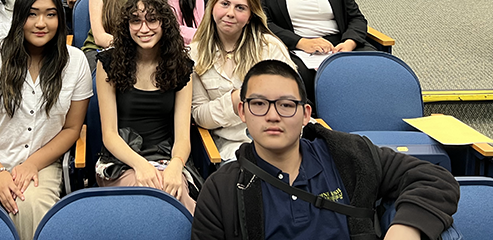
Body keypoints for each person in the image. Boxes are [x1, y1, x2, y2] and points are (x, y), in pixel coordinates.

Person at [191, 59, 459, 240]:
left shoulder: (348, 156)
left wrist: (406, 228)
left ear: (306, 114)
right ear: (242, 111)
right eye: (259, 104)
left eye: (286, 105)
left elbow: (435, 179)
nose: (272, 116)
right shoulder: (221, 190)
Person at [0, 0, 92, 240]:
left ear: (60, 20)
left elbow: (72, 128)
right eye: (32, 14)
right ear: (19, 18)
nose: (41, 23)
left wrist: (32, 164)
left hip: (41, 161)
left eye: (50, 14)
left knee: (31, 210)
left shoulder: (75, 63)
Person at [95, 0, 197, 213]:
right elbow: (109, 135)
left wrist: (175, 166)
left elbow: (182, 138)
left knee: (178, 198)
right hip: (122, 160)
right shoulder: (109, 62)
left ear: (164, 24)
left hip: (166, 158)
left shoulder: (181, 66)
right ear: (127, 25)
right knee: (147, 198)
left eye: (152, 20)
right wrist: (140, 165)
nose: (144, 28)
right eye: (136, 21)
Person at [190, 0, 294, 161]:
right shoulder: (195, 54)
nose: (230, 13)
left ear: (250, 16)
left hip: (281, 137)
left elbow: (292, 99)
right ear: (212, 6)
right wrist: (236, 98)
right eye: (224, 4)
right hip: (233, 145)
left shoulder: (269, 47)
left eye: (240, 8)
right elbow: (199, 115)